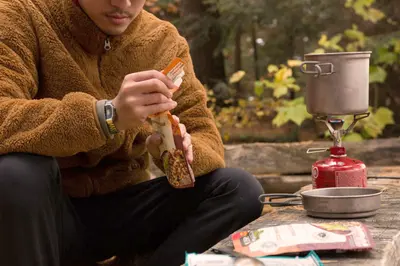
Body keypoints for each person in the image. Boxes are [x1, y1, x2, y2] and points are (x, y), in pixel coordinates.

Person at [0, 0, 264, 265]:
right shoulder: (21, 13)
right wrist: (106, 116)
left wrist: (175, 151)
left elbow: (204, 135)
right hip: (39, 215)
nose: (122, 3)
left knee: (240, 191)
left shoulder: (162, 41)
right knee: (16, 173)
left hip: (124, 208)